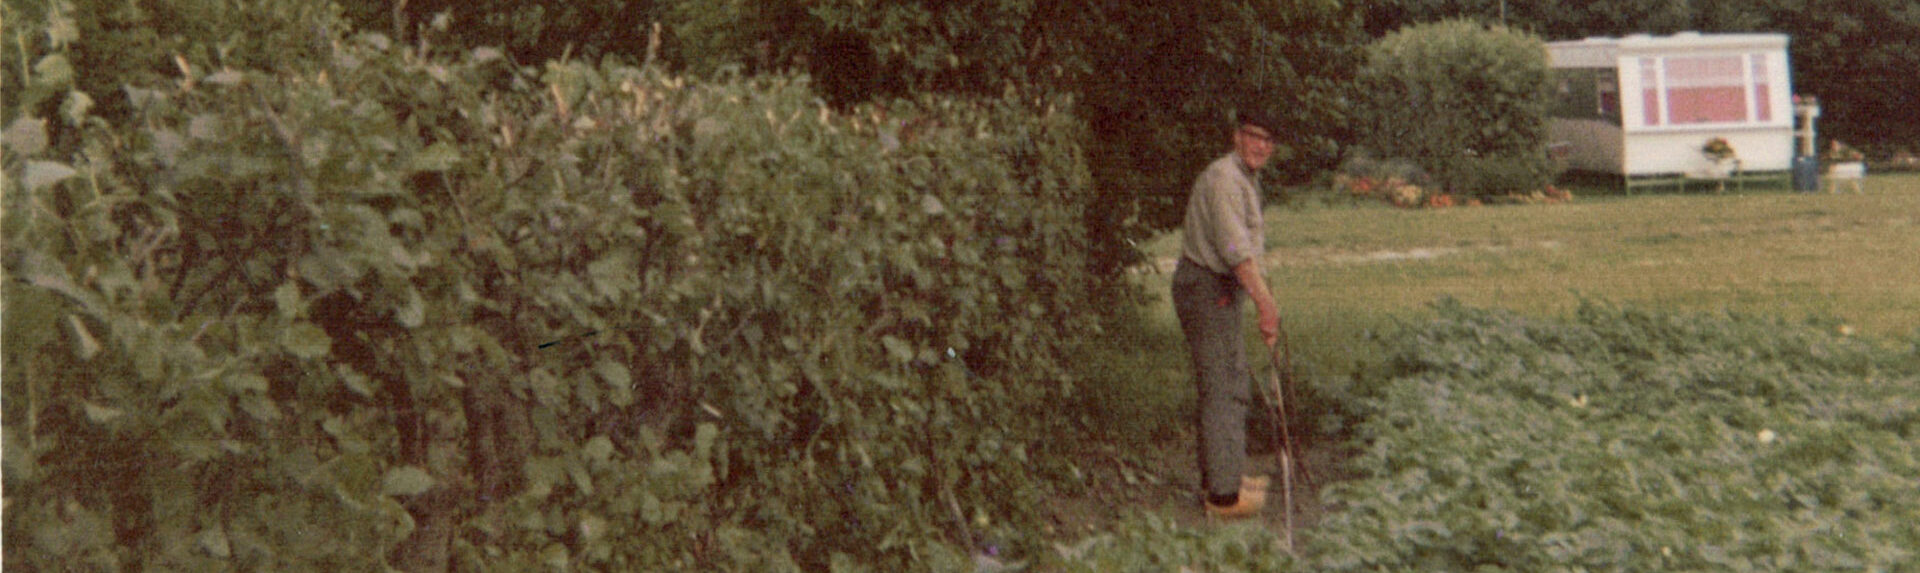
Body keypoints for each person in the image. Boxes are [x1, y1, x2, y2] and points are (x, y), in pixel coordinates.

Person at [1172, 110, 1282, 519]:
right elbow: (1236, 253)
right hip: (1205, 288)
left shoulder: (1244, 179)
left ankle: (1226, 475)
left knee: (1231, 378)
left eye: (1268, 141)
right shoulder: (1223, 180)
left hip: (1219, 288)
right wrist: (1266, 307)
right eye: (1254, 136)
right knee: (1224, 387)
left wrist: (1263, 296)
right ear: (1236, 136)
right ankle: (1222, 497)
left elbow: (1251, 248)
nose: (1261, 147)